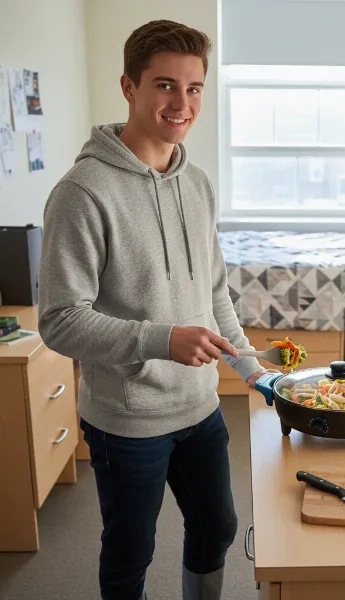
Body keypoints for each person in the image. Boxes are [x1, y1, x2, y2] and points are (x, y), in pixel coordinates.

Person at [37, 19, 274, 600]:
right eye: (165, 85)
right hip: (128, 419)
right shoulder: (83, 192)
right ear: (129, 86)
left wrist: (250, 366)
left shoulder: (197, 183)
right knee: (129, 552)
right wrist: (159, 339)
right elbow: (59, 319)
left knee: (216, 527)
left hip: (200, 405)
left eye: (194, 88)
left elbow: (213, 288)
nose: (182, 103)